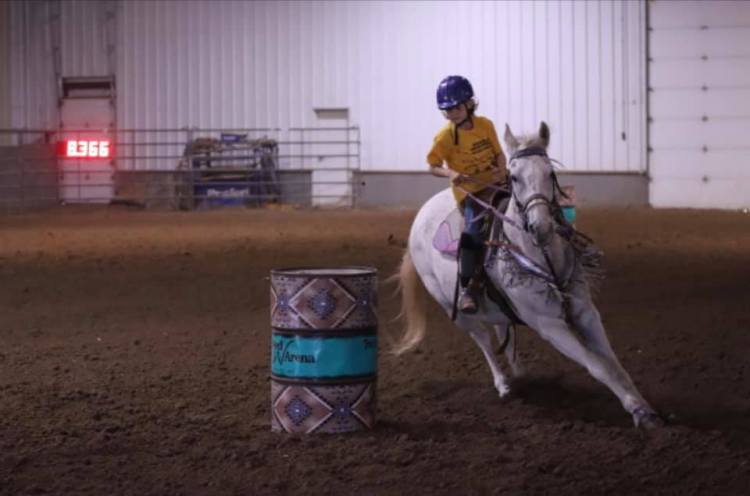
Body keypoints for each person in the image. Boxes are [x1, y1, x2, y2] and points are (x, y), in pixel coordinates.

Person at [426, 75, 508, 314]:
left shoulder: (486, 125)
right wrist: (450, 172)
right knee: (472, 232)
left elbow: (499, 154)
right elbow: (432, 166)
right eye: (448, 110)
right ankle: (467, 289)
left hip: (497, 183)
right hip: (471, 193)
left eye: (457, 108)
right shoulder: (444, 137)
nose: (452, 114)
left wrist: (502, 168)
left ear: (470, 104)